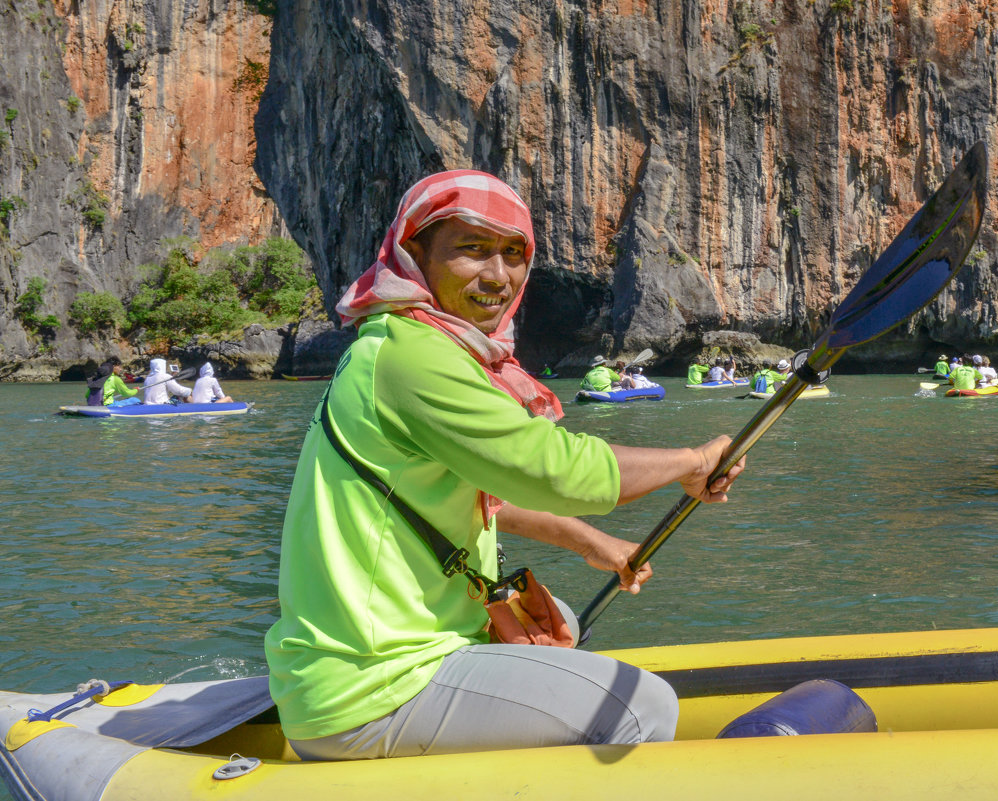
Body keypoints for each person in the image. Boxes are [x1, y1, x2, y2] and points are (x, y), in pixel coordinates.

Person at [264, 169, 745, 761]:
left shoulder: (413, 342)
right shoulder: (412, 359)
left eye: (513, 254)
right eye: (471, 249)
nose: (498, 275)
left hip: (383, 659)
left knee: (561, 618)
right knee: (645, 708)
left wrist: (587, 540)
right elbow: (554, 470)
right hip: (371, 686)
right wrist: (693, 462)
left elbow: (479, 488)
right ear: (413, 252)